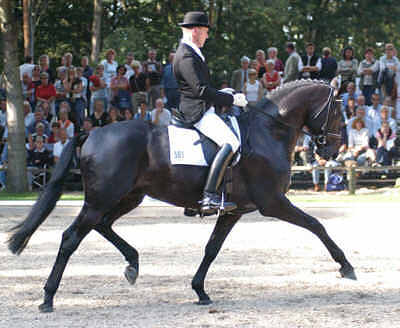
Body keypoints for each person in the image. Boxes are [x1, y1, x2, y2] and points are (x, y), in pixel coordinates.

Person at [173, 11, 247, 214]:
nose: (207, 36)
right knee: (231, 142)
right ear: (195, 31)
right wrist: (231, 99)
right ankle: (208, 197)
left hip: (202, 107)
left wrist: (223, 93)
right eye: (205, 32)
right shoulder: (186, 54)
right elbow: (200, 91)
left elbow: (203, 86)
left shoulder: (192, 52)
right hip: (196, 111)